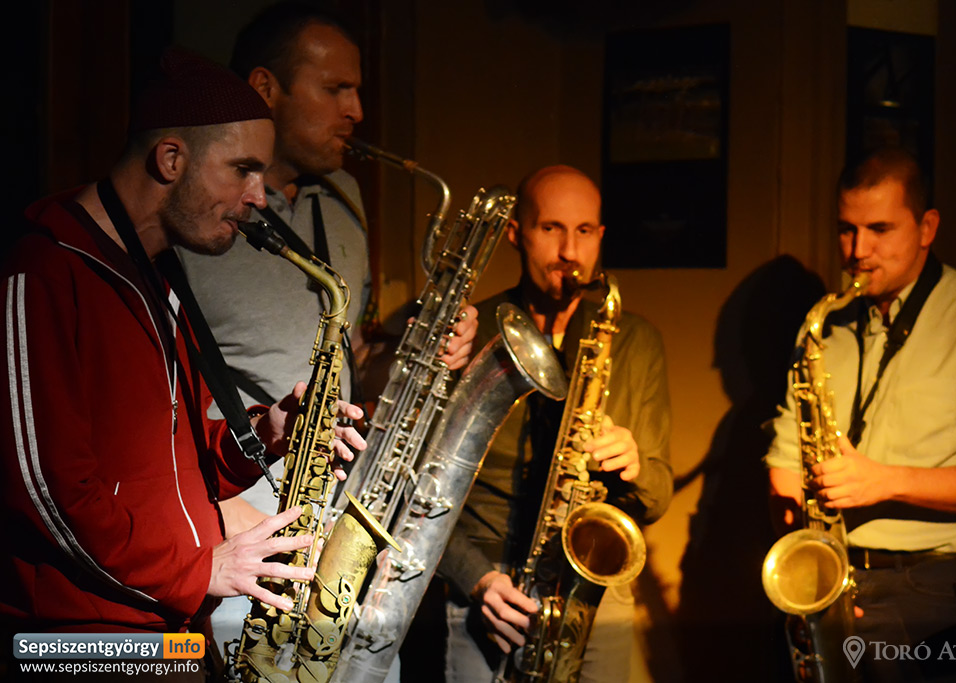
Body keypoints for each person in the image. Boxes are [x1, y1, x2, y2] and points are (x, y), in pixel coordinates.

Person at [0, 48, 367, 648]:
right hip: (83, 642)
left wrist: (268, 431)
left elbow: (177, 473)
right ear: (171, 159)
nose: (258, 196)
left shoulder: (160, 278)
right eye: (242, 169)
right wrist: (196, 572)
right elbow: (45, 493)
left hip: (171, 630)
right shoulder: (43, 271)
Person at [176, 2, 477, 656]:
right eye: (336, 88)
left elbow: (353, 357)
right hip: (243, 529)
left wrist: (422, 348)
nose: (357, 110)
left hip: (338, 519)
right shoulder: (193, 215)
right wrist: (215, 517)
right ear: (266, 89)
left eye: (357, 90)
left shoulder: (344, 198)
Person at [765, 147, 956, 681]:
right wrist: (809, 569)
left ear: (927, 228)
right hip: (838, 577)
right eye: (847, 230)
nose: (858, 251)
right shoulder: (824, 326)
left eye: (880, 230)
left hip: (942, 590)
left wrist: (883, 482)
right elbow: (786, 459)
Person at [438, 165, 673, 683]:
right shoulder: (472, 333)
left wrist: (634, 467)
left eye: (584, 231)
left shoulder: (635, 340)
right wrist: (474, 578)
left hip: (592, 583)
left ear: (601, 235)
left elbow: (658, 497)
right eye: (551, 228)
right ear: (515, 234)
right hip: (491, 590)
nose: (570, 251)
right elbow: (424, 489)